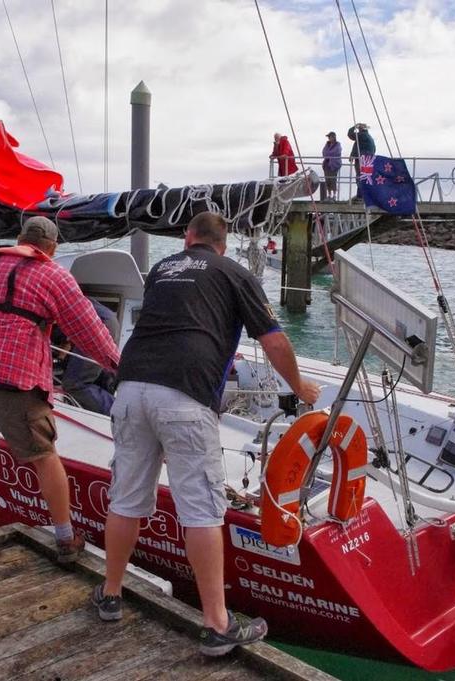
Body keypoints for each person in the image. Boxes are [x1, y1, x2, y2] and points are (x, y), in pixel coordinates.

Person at [92, 211, 321, 656]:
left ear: (187, 239)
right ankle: (217, 624)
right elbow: (273, 341)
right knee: (201, 510)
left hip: (131, 386)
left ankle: (111, 593)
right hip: (185, 396)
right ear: (223, 243)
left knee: (126, 499)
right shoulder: (234, 272)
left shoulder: (161, 269)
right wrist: (299, 387)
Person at [0, 216, 120, 586]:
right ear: (53, 248)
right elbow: (90, 332)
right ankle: (66, 539)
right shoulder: (54, 275)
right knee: (43, 455)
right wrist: (123, 369)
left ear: (20, 239)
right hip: (14, 374)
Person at [51, 299, 119, 415]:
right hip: (108, 320)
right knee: (96, 376)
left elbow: (66, 343)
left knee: (75, 384)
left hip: (96, 323)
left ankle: (120, 414)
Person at [347, 123, 376, 200]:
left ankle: (362, 195)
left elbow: (350, 135)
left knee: (360, 176)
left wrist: (354, 127)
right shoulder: (369, 137)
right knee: (364, 177)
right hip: (368, 160)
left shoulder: (362, 135)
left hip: (362, 160)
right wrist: (353, 155)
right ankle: (361, 194)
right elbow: (357, 147)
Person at [321, 131, 343, 201]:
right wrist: (328, 155)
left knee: (333, 180)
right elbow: (324, 152)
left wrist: (328, 154)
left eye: (330, 137)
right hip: (327, 164)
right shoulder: (327, 144)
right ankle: (329, 195)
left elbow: (335, 152)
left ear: (333, 137)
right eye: (328, 137)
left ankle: (334, 196)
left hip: (334, 165)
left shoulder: (338, 145)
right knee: (327, 180)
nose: (329, 138)